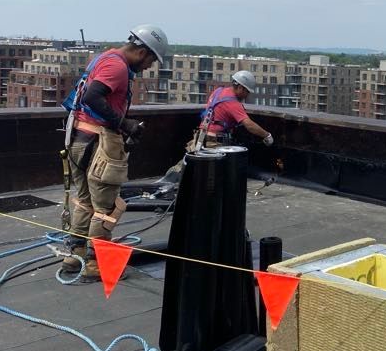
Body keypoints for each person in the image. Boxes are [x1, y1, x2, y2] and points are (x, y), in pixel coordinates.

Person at [62, 24, 168, 280]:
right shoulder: (118, 66)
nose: (148, 67)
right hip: (98, 143)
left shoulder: (104, 57)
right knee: (105, 208)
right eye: (151, 60)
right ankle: (94, 263)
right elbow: (92, 97)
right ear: (143, 52)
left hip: (79, 138)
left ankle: (73, 256)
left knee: (84, 201)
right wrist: (124, 124)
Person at [191, 70, 274, 150]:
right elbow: (249, 125)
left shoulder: (218, 91)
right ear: (240, 88)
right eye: (247, 92)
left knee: (193, 162)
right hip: (213, 142)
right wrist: (267, 135)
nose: (247, 96)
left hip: (201, 136)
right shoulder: (233, 103)